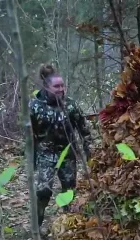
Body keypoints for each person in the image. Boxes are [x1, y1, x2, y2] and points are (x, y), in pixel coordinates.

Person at [29, 64, 91, 228]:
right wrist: (31, 158)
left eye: (62, 86)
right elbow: (30, 136)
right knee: (43, 191)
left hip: (68, 154)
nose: (61, 89)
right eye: (56, 86)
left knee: (69, 192)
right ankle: (37, 227)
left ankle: (68, 227)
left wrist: (89, 154)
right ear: (46, 86)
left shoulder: (71, 105)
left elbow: (84, 131)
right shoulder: (34, 106)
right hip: (45, 155)